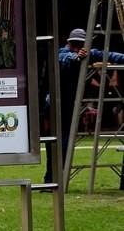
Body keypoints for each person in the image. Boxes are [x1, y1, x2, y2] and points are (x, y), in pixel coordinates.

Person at [43, 28, 124, 185]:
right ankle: (51, 179)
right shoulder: (61, 53)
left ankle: (55, 180)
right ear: (68, 43)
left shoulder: (89, 53)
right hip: (54, 106)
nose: (76, 48)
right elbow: (65, 59)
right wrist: (77, 57)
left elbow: (111, 55)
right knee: (54, 144)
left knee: (64, 143)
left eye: (79, 45)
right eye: (74, 44)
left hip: (69, 106)